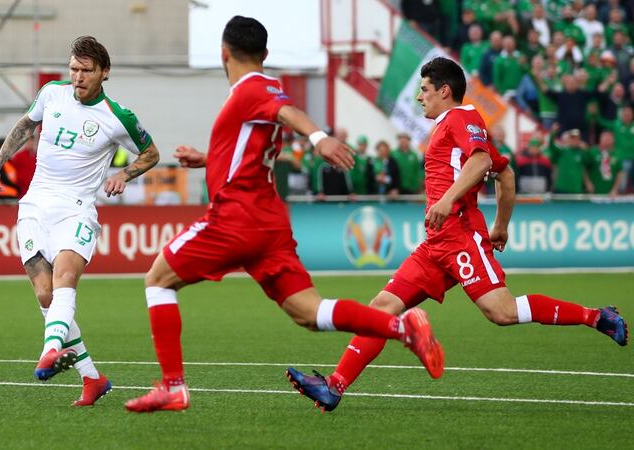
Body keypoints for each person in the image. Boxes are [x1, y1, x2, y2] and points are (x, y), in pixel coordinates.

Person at [123, 16, 444, 414]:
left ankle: (173, 386)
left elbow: (285, 113)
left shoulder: (251, 89)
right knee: (309, 312)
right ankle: (402, 327)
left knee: (157, 280)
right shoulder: (264, 86)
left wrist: (319, 137)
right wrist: (209, 159)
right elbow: (255, 146)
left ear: (224, 53)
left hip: (235, 217)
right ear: (266, 53)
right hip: (268, 223)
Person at [286, 57, 628, 412]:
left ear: (444, 91)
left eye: (424, 90)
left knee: (502, 312)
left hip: (460, 237)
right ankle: (334, 386)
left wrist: (450, 201)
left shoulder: (462, 118)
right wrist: (500, 226)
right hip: (436, 244)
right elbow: (505, 175)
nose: (420, 97)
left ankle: (597, 317)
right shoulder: (452, 126)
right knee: (382, 308)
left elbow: (481, 162)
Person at [0, 36, 160, 406]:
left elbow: (151, 152)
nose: (78, 77)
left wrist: (124, 175)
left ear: (104, 73)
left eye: (86, 71)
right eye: (74, 69)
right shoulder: (51, 94)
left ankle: (50, 351)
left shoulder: (117, 117)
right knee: (46, 295)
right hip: (33, 207)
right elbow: (24, 126)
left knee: (64, 278)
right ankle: (92, 378)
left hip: (76, 209)